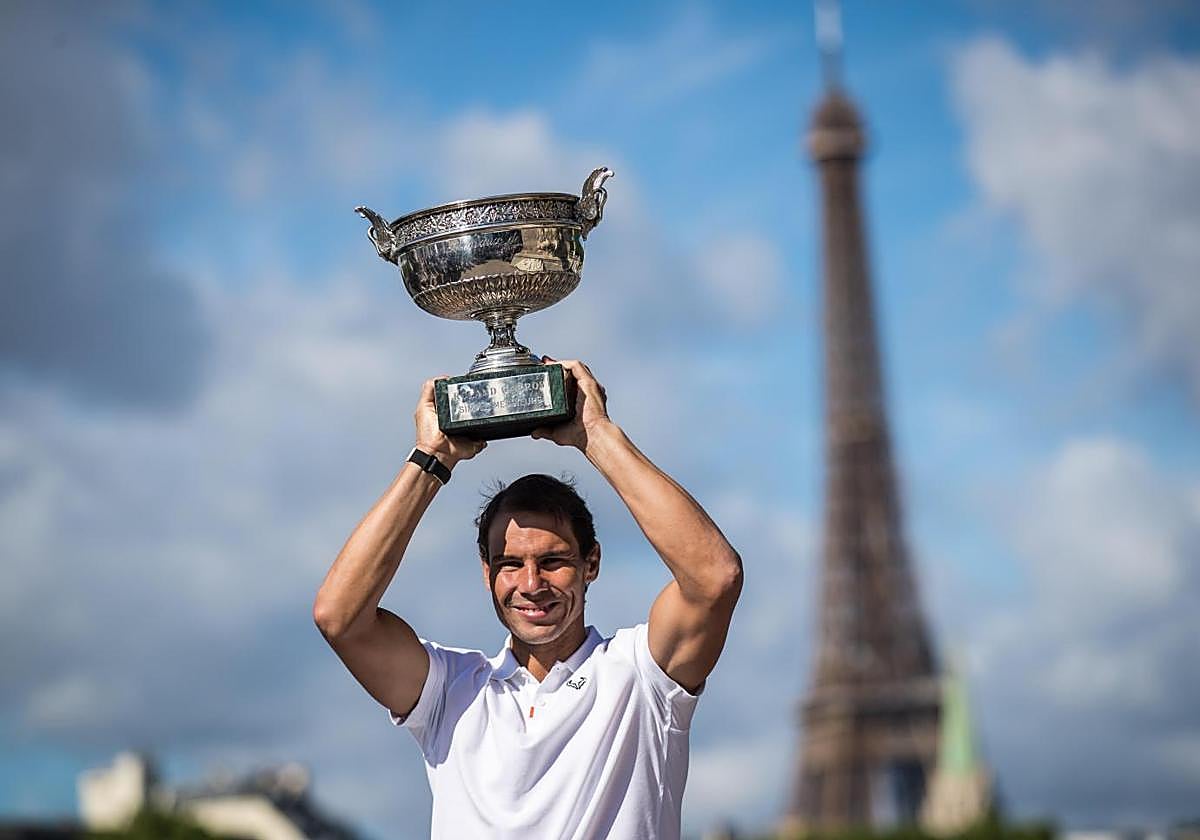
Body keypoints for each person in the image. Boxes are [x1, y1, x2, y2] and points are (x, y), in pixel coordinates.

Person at [314, 359, 742, 839]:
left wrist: (596, 435)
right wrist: (431, 457)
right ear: (486, 572)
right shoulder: (449, 689)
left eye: (554, 561)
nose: (531, 583)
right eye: (510, 564)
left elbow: (714, 577)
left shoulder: (642, 677)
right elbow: (340, 617)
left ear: (591, 564)